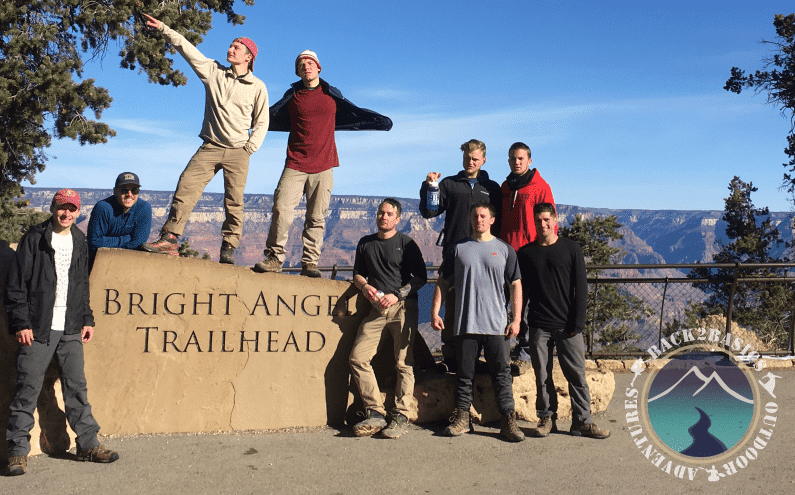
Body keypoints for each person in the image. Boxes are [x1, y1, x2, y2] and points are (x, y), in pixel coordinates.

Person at [4, 189, 119, 476]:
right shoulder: (35, 238)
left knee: (76, 387)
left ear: (78, 212)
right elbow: (16, 286)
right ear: (53, 208)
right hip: (38, 328)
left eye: (71, 209)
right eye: (61, 208)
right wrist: (21, 323)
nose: (65, 214)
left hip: (70, 327)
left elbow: (80, 285)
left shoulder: (79, 241)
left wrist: (87, 319)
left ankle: (88, 444)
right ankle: (17, 452)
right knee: (27, 389)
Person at [140, 13, 268, 264]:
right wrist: (164, 28)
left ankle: (229, 246)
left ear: (248, 57)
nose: (230, 49)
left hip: (238, 151)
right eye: (231, 45)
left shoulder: (257, 86)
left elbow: (262, 120)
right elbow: (186, 48)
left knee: (234, 201)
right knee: (186, 186)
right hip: (210, 146)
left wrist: (250, 148)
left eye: (236, 47)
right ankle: (170, 238)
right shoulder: (213, 72)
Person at [253, 50, 392, 277]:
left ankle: (310, 263)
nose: (306, 67)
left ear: (318, 68)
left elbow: (353, 113)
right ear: (298, 72)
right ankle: (274, 258)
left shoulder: (332, 95)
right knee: (281, 210)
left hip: (324, 165)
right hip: (295, 163)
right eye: (301, 64)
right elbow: (268, 117)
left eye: (310, 63)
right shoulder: (292, 96)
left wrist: (380, 122)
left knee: (316, 217)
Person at [431, 202, 524, 442]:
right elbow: (442, 281)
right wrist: (434, 312)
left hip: (497, 325)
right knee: (464, 374)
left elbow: (516, 285)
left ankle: (508, 421)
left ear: (492, 220)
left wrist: (517, 319)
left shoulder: (505, 250)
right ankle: (462, 418)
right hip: (466, 324)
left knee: (502, 374)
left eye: (483, 216)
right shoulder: (458, 249)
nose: (479, 220)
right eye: (475, 216)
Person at [517, 203, 609, 439]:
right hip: (539, 325)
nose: (543, 224)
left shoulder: (571, 249)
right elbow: (523, 291)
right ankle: (547, 419)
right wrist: (519, 321)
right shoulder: (526, 254)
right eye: (538, 221)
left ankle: (582, 421)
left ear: (555, 220)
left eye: (547, 220)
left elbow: (581, 287)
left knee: (577, 375)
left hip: (568, 326)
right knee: (542, 375)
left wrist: (577, 323)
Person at [418, 139, 502, 372]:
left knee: (484, 305)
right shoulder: (450, 184)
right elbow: (429, 211)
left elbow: (500, 221)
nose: (470, 162)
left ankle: (481, 358)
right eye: (467, 158)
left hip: (485, 255)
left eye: (475, 158)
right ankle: (451, 357)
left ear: (483, 160)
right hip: (456, 253)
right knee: (454, 305)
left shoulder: (492, 188)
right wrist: (429, 187)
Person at [348, 199, 427, 439]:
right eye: (381, 212)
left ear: (398, 219)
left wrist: (397, 295)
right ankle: (376, 412)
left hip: (402, 308)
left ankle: (401, 415)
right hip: (376, 310)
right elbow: (358, 274)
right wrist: (364, 288)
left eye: (389, 213)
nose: (384, 217)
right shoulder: (366, 243)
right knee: (358, 358)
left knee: (403, 363)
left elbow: (420, 277)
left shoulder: (407, 243)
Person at [498, 142, 556, 371]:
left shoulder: (540, 186)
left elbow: (551, 221)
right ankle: (501, 349)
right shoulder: (505, 186)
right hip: (504, 252)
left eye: (521, 158)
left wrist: (547, 249)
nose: (517, 162)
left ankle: (525, 352)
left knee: (528, 304)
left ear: (529, 161)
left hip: (530, 252)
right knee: (502, 302)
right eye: (513, 158)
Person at [87, 172, 152, 267]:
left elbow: (139, 242)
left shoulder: (144, 208)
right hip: (98, 263)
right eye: (124, 190)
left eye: (134, 190)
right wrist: (127, 238)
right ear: (115, 191)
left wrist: (107, 242)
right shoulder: (103, 207)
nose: (129, 194)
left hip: (128, 264)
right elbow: (94, 242)